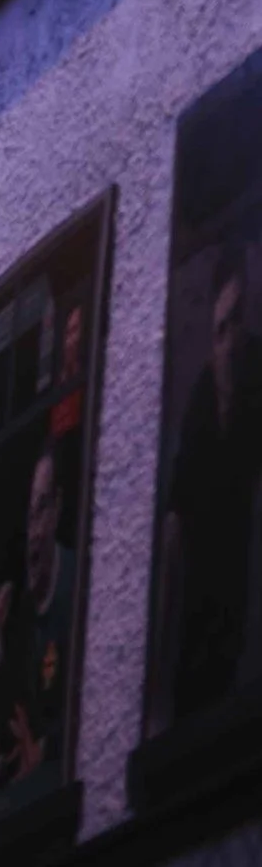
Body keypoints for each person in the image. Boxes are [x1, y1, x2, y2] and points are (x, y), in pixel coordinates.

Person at [163, 244, 262, 721]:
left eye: (237, 320)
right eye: (221, 329)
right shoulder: (201, 399)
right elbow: (175, 522)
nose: (231, 342)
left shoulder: (257, 369)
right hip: (203, 601)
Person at [0, 446, 75, 791]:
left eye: (41, 510)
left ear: (57, 508)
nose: (35, 532)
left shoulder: (76, 584)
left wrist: (43, 749)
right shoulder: (19, 614)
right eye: (29, 517)